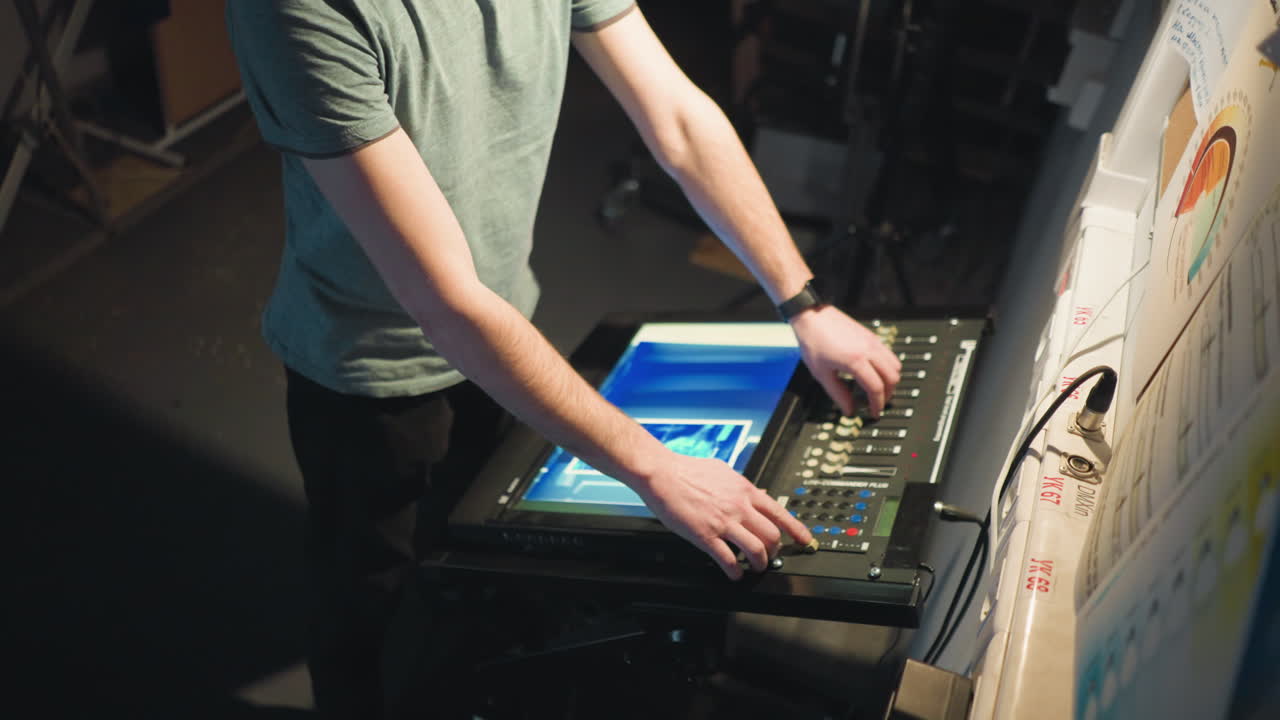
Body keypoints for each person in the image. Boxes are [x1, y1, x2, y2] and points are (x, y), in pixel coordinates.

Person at [226, 1, 902, 716]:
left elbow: (676, 117)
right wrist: (656, 465)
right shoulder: (295, 10)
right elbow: (447, 302)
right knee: (365, 606)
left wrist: (803, 301)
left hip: (503, 322)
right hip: (367, 369)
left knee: (480, 582)